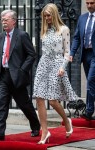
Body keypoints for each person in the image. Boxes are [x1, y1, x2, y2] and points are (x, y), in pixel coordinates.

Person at [0, 9, 40, 141]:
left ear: (14, 21)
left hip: (17, 76)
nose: (3, 22)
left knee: (24, 104)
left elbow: (31, 54)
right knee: (1, 104)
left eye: (6, 20)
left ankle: (36, 125)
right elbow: (0, 56)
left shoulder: (22, 35)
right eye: (2, 20)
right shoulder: (0, 36)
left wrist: (22, 70)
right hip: (4, 75)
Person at [33, 3, 78, 144]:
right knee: (39, 97)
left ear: (54, 14)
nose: (47, 18)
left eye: (49, 15)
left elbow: (67, 51)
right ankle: (45, 132)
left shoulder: (64, 29)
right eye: (45, 16)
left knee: (52, 100)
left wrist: (63, 67)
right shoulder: (44, 30)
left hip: (57, 64)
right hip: (43, 64)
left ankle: (66, 120)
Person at [70, 0, 95, 120]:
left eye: (92, 3)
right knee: (92, 82)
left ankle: (89, 110)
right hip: (86, 55)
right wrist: (72, 53)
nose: (89, 5)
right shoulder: (82, 18)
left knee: (90, 81)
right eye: (88, 3)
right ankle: (90, 111)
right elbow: (76, 38)